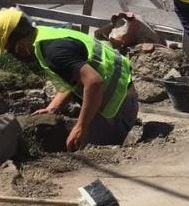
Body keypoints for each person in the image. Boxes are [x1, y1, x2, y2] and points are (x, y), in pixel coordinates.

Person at [0, 8, 138, 151]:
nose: (13, 56)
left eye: (10, 51)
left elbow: (94, 82)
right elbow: (74, 78)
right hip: (122, 100)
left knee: (84, 152)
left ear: (19, 44)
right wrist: (53, 108)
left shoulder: (54, 52)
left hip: (117, 111)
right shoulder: (44, 35)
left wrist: (80, 127)